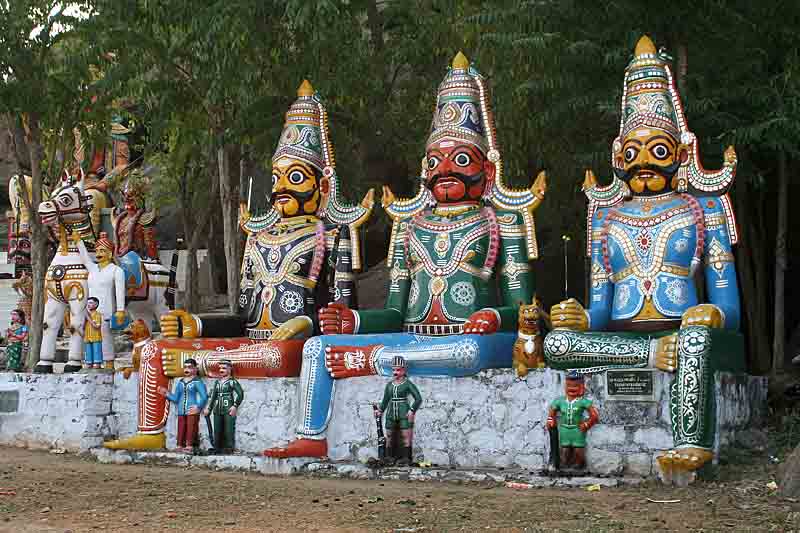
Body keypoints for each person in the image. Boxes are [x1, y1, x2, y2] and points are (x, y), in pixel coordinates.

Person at [374, 356, 422, 465]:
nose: (395, 372)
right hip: (391, 413)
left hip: (403, 412)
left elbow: (418, 398)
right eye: (394, 370)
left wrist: (411, 410)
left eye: (398, 370)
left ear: (403, 370)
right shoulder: (389, 385)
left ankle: (406, 458)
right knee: (389, 436)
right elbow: (385, 400)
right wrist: (380, 410)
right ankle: (389, 457)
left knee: (406, 435)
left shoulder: (407, 384)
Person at [546, 371, 598, 470]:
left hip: (577, 430)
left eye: (575, 386)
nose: (572, 388)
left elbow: (594, 415)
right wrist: (550, 419)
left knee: (578, 450)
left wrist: (587, 424)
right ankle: (565, 466)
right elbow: (552, 411)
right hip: (564, 429)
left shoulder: (583, 401)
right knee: (564, 450)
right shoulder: (560, 401)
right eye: (569, 385)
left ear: (582, 386)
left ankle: (579, 466)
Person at [158, 358, 208, 453]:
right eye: (185, 367)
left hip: (191, 409)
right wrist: (166, 393)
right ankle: (179, 444)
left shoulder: (197, 382)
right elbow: (176, 398)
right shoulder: (181, 382)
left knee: (191, 427)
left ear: (195, 369)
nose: (187, 369)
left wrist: (198, 407)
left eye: (190, 367)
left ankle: (189, 445)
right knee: (180, 427)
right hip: (181, 410)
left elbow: (204, 396)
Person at [204, 359, 244, 454]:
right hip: (217, 408)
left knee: (228, 429)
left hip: (228, 408)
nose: (221, 370)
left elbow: (240, 394)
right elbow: (213, 396)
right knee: (217, 429)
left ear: (229, 369)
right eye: (220, 368)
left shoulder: (232, 382)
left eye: (224, 368)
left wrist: (235, 406)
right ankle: (217, 447)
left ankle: (229, 448)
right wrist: (209, 408)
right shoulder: (217, 382)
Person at [83, 297, 103, 369]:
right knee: (88, 350)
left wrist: (88, 318)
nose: (88, 304)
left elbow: (96, 326)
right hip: (87, 336)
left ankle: (97, 362)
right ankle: (89, 362)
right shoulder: (86, 315)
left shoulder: (98, 314)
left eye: (91, 303)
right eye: (87, 303)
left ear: (96, 304)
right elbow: (83, 326)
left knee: (96, 350)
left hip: (95, 336)